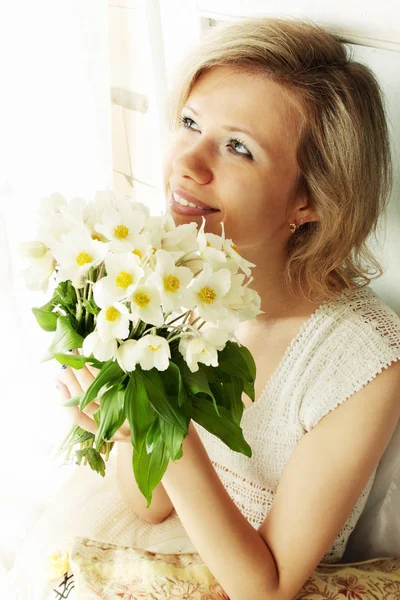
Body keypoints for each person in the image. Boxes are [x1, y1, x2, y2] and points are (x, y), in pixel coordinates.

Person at [6, 16, 400, 600]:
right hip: (129, 552)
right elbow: (145, 504)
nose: (188, 162)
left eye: (238, 147)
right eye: (190, 122)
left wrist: (163, 423)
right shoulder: (175, 280)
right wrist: (127, 434)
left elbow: (264, 590)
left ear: (309, 199)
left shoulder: (363, 359)